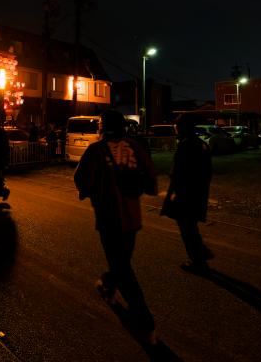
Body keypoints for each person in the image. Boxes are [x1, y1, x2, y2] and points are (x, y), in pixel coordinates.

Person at [73, 109, 158, 347]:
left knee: (122, 267)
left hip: (109, 217)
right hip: (132, 217)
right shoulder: (135, 146)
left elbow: (80, 178)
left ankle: (145, 322)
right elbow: (150, 175)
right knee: (121, 261)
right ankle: (108, 286)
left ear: (102, 127)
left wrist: (89, 192)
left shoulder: (96, 150)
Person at [161, 113, 214, 274]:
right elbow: (207, 171)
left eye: (177, 125)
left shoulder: (186, 145)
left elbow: (179, 172)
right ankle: (201, 252)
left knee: (187, 227)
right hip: (198, 192)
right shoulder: (200, 144)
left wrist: (176, 191)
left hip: (186, 193)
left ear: (182, 127)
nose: (175, 128)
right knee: (190, 225)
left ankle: (198, 260)